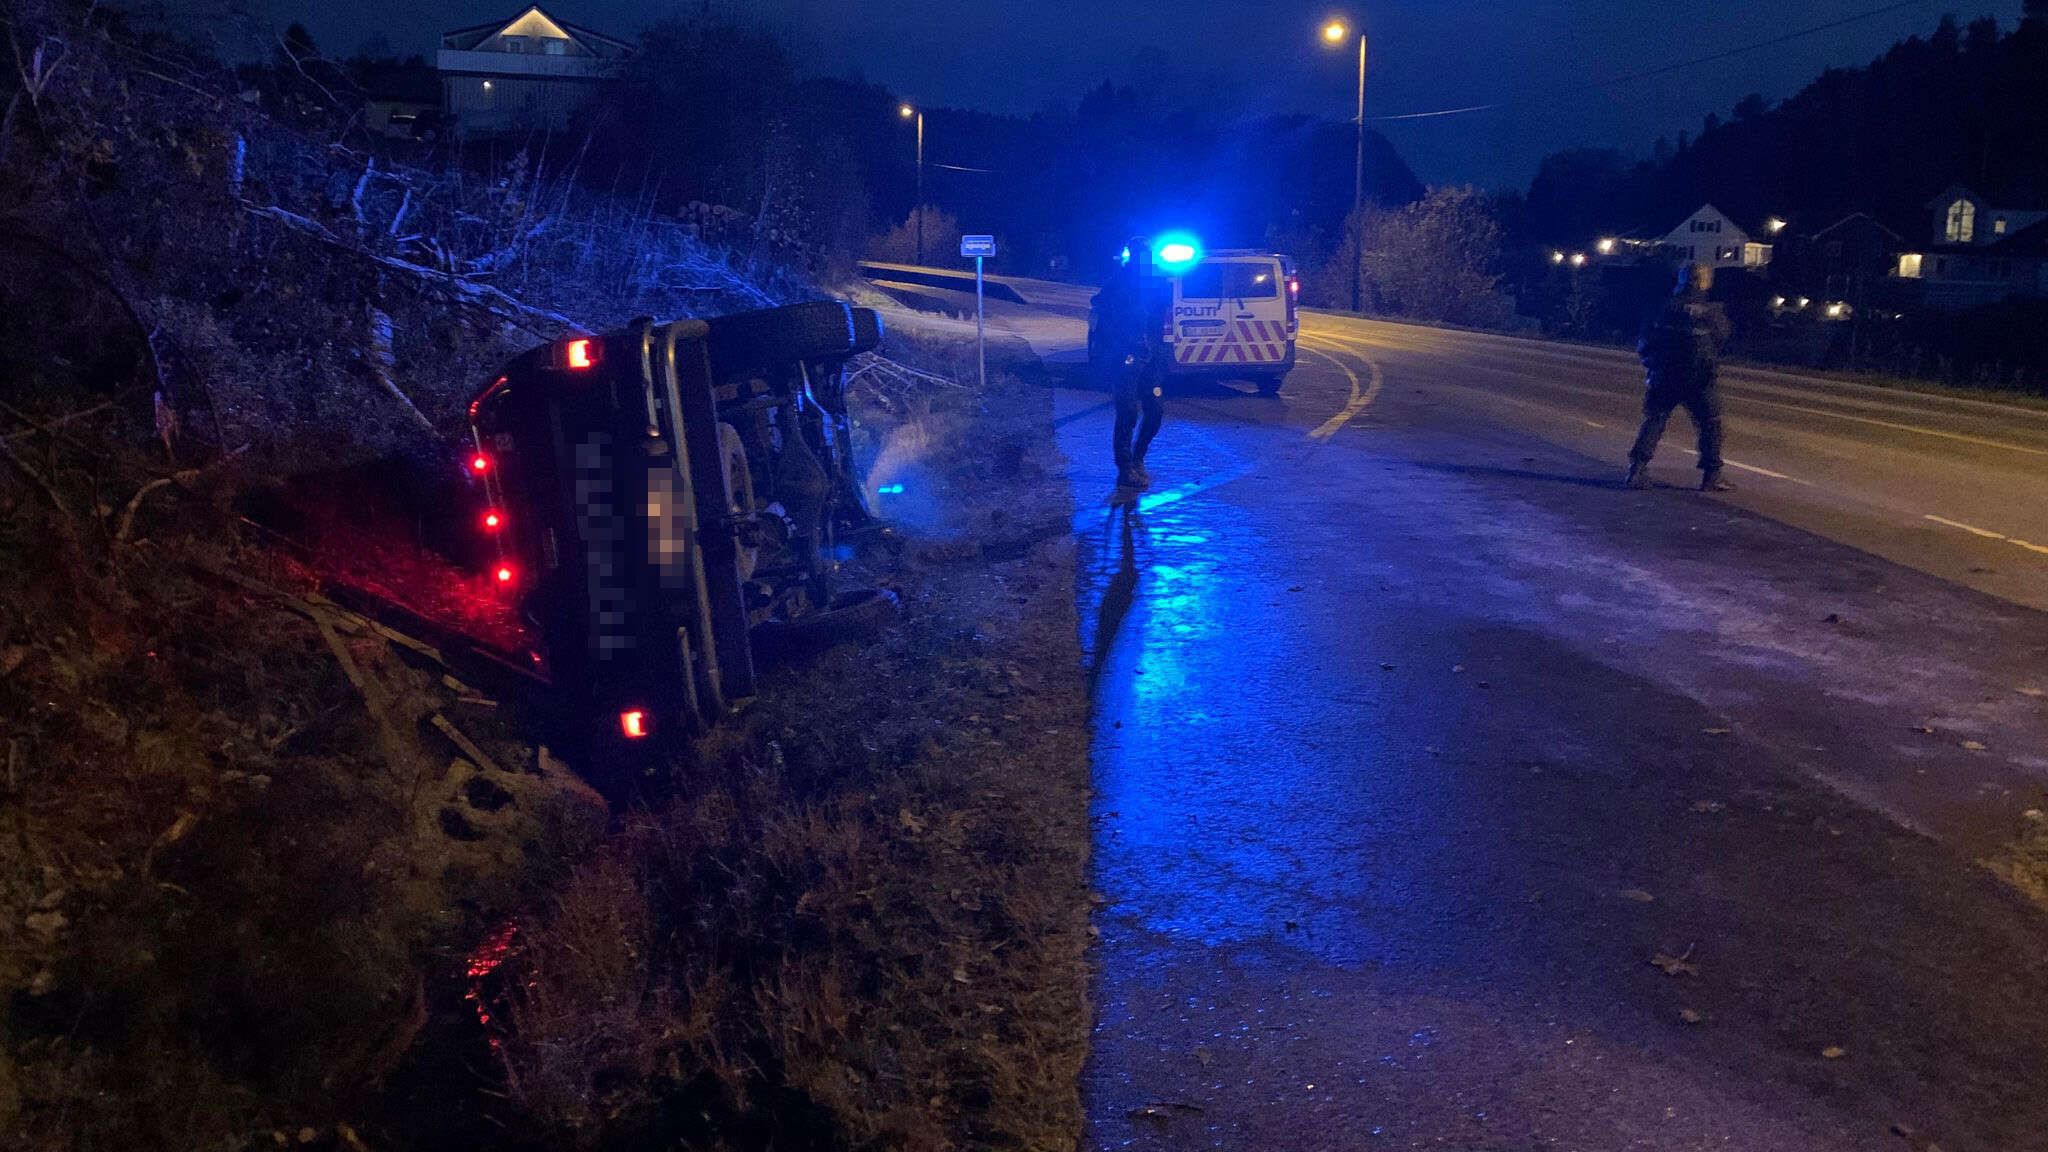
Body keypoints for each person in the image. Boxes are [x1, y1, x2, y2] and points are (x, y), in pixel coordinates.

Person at [1627, 262, 1733, 492]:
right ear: (1703, 282)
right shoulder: (1710, 311)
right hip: (1699, 378)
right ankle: (1712, 475)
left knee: (1655, 419)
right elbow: (1723, 337)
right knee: (1710, 423)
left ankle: (1636, 469)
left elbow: (1645, 339)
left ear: (1682, 280)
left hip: (1665, 374)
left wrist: (1651, 366)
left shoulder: (1663, 307)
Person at [1093, 250, 1167, 490]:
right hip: (1125, 360)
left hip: (1150, 361)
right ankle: (1126, 468)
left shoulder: (1154, 285)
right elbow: (1101, 316)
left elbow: (1161, 319)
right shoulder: (1116, 286)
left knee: (1155, 411)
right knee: (1127, 413)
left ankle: (1138, 458)